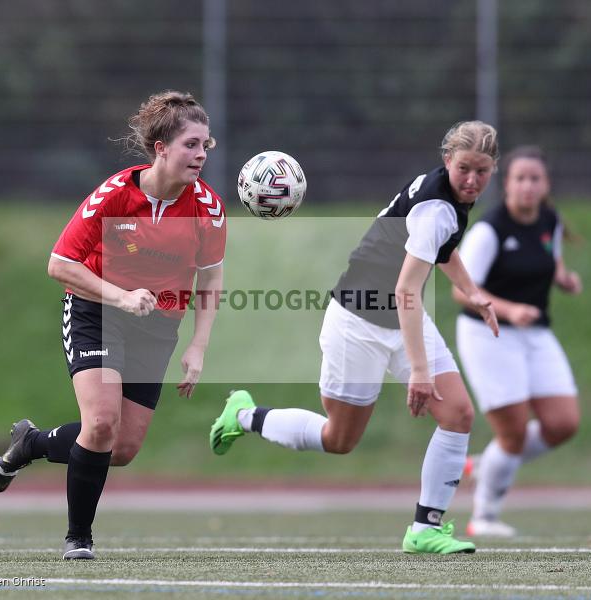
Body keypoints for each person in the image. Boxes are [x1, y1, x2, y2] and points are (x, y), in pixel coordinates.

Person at [209, 121, 500, 554]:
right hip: (358, 321)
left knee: (458, 414)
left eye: (482, 171)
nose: (473, 180)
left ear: (493, 167)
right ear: (447, 161)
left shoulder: (447, 198)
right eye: (464, 169)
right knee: (339, 440)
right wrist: (419, 371)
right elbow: (406, 289)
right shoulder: (436, 206)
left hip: (403, 317)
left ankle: (425, 528)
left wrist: (472, 291)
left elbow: (444, 247)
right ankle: (246, 415)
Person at [0, 91, 226, 559]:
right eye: (191, 144)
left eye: (206, 145)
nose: (201, 154)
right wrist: (120, 295)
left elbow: (212, 275)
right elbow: (59, 263)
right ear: (161, 149)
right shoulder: (114, 195)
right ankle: (79, 538)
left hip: (157, 327)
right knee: (100, 425)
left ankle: (31, 442)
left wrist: (198, 346)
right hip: (96, 311)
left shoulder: (207, 207)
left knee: (122, 448)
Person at [453, 145, 582, 538]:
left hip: (535, 333)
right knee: (512, 431)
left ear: (546, 185)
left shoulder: (550, 221)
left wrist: (562, 278)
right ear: (506, 184)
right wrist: (508, 311)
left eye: (535, 179)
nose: (528, 186)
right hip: (487, 333)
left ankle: (484, 463)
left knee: (562, 423)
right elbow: (463, 291)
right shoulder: (490, 231)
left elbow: (549, 256)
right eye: (520, 178)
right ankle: (484, 518)